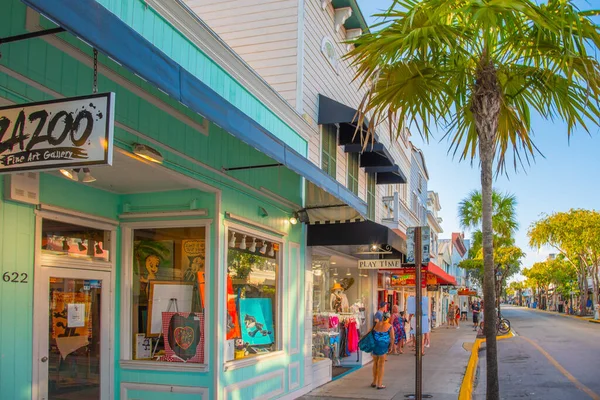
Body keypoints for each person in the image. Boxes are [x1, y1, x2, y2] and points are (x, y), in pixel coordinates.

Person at [371, 312, 394, 390]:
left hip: (375, 345)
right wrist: (391, 346)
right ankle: (379, 384)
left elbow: (371, 332)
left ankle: (374, 382)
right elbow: (392, 337)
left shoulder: (376, 324)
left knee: (375, 362)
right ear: (388, 318)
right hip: (383, 346)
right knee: (381, 364)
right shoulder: (389, 326)